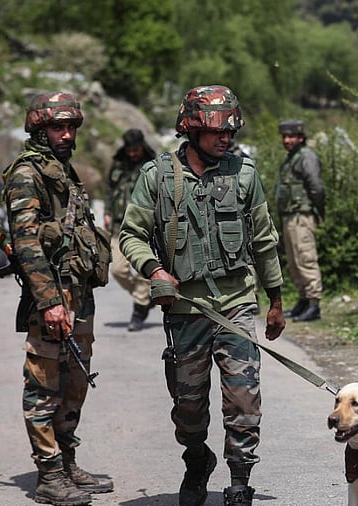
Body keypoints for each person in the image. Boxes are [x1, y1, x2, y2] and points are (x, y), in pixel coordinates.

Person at [119, 85, 285, 506]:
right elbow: (131, 235)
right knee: (188, 409)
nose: (226, 139)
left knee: (243, 400)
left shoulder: (245, 175)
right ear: (191, 130)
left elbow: (264, 240)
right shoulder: (156, 178)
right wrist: (155, 270)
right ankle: (197, 460)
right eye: (217, 132)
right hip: (186, 310)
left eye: (231, 131)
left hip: (237, 305)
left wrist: (276, 300)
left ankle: (240, 483)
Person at [2, 91, 114, 506]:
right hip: (53, 293)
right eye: (57, 127)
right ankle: (48, 474)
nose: (66, 134)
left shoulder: (63, 170)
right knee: (44, 383)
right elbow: (27, 243)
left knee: (75, 381)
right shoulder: (27, 174)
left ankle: (67, 461)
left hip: (79, 293)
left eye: (70, 127)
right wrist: (49, 301)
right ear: (38, 127)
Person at [105, 128, 156, 331]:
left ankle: (139, 309)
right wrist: (107, 212)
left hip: (146, 225)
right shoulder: (118, 163)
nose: (133, 154)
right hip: (119, 225)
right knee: (117, 269)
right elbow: (109, 190)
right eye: (129, 150)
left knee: (145, 268)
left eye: (136, 149)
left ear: (142, 146)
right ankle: (143, 296)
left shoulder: (152, 165)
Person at [275, 119, 325, 322]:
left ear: (301, 138)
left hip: (301, 216)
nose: (287, 140)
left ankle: (314, 304)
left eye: (291, 137)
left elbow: (316, 187)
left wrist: (318, 210)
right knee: (295, 263)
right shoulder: (292, 158)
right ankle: (303, 301)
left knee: (306, 259)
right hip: (290, 217)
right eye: (285, 137)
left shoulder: (306, 157)